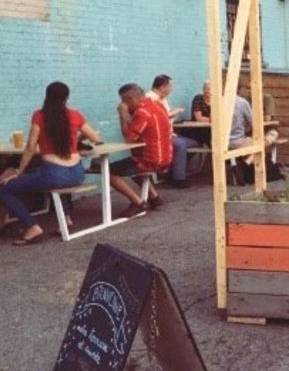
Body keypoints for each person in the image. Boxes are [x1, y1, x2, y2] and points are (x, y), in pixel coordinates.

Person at [0, 82, 103, 245]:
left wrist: (19, 171)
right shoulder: (75, 115)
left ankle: (32, 227)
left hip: (54, 175)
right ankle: (66, 220)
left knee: (4, 188)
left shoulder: (39, 116)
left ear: (47, 95)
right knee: (45, 179)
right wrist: (76, 138)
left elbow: (31, 146)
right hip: (77, 174)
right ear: (66, 97)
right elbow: (96, 139)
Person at [111, 82, 173, 217]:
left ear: (131, 99)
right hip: (166, 156)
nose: (123, 104)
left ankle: (138, 203)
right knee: (131, 168)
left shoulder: (142, 113)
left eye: (123, 100)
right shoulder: (158, 105)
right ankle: (154, 197)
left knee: (111, 173)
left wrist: (122, 115)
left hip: (150, 159)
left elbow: (129, 139)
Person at [149, 74, 196, 189]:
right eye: (170, 86)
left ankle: (173, 170)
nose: (171, 89)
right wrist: (174, 113)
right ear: (162, 86)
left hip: (169, 133)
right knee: (181, 144)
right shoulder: (150, 99)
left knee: (194, 143)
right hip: (159, 136)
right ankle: (179, 178)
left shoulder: (163, 99)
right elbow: (159, 118)